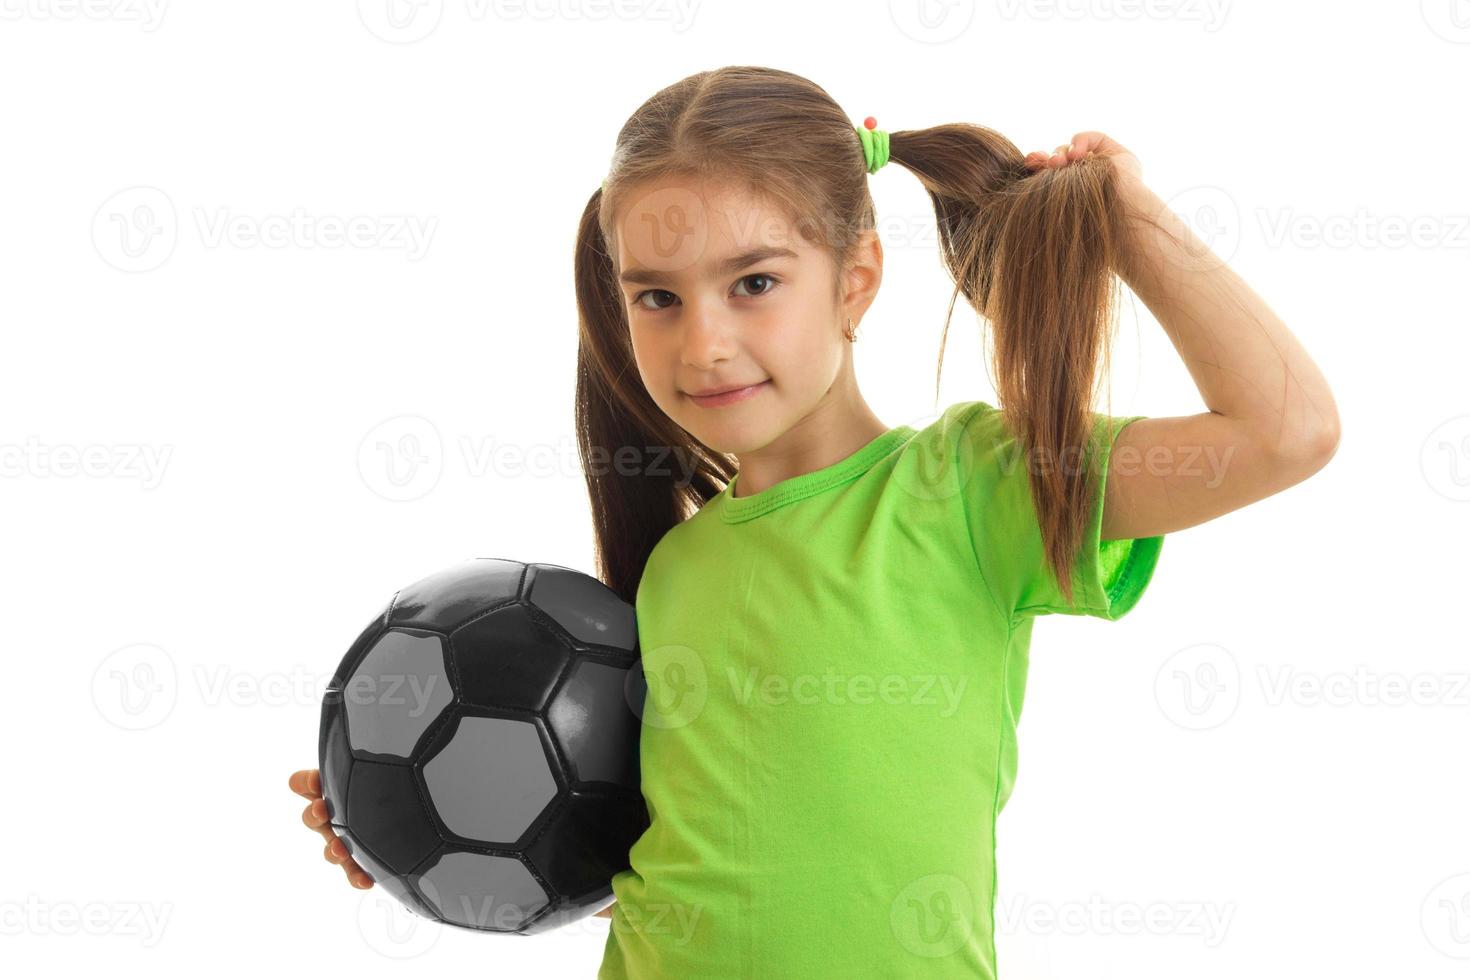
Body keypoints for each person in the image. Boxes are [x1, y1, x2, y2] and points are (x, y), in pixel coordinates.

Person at [292, 64, 1339, 977]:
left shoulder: (973, 488)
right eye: (656, 297)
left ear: (857, 280)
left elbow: (1286, 430)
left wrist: (1134, 227)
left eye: (753, 282)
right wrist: (400, 823)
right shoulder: (674, 567)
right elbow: (688, 858)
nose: (703, 343)